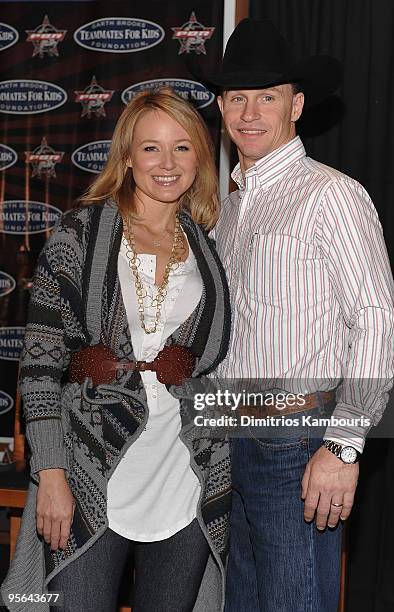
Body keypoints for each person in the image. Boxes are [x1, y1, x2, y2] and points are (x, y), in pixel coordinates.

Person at [193, 18, 394, 612]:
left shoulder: (332, 195)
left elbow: (377, 322)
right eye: (238, 97)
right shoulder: (231, 208)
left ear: (298, 105)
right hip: (232, 433)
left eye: (268, 97)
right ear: (222, 107)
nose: (251, 112)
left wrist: (343, 445)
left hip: (298, 439)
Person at [1, 88, 231, 612]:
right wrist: (52, 473)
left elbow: (214, 359)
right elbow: (38, 369)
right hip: (89, 468)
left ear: (199, 154)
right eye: (151, 149)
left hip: (183, 474)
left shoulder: (208, 246)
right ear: (127, 157)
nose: (167, 164)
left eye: (182, 147)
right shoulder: (79, 235)